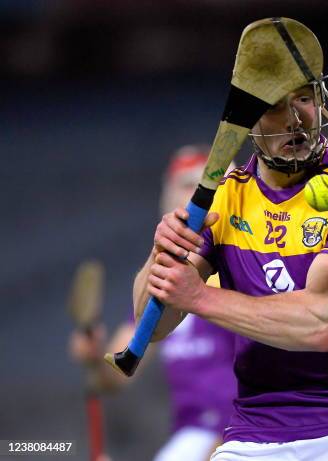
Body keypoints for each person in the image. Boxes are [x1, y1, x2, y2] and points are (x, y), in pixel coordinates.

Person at [135, 22, 328, 461]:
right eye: (274, 105)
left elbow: (322, 323)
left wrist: (200, 298)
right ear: (247, 119)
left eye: (304, 97)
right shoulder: (225, 200)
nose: (294, 117)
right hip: (253, 437)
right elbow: (153, 325)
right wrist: (161, 257)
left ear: (323, 102)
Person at [69, 145, 236, 461]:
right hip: (194, 436)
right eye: (188, 184)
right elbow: (117, 374)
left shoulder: (250, 270)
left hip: (254, 433)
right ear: (167, 198)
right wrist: (94, 357)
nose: (201, 194)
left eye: (213, 184)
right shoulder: (163, 285)